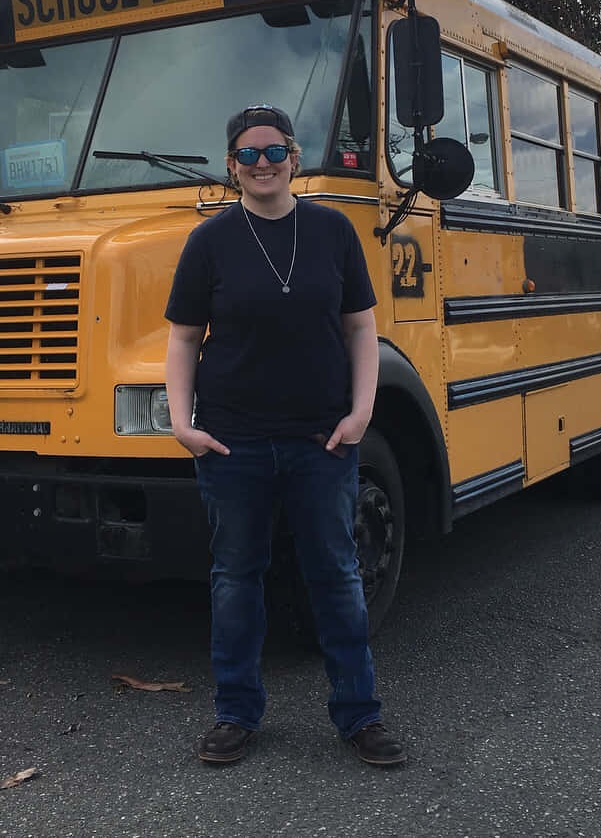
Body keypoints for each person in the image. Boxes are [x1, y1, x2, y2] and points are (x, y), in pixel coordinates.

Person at [164, 104, 405, 767]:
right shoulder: (209, 242)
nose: (262, 164)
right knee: (236, 578)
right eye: (248, 154)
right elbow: (184, 337)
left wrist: (361, 413)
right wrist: (181, 423)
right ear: (231, 166)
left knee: (337, 576)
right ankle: (236, 713)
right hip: (233, 442)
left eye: (274, 152)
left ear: (295, 159)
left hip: (321, 438)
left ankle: (359, 716)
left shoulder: (331, 231)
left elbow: (361, 327)